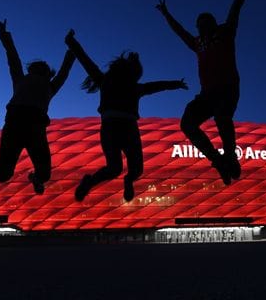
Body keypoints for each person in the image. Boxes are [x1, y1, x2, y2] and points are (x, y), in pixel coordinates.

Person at [156, 0, 262, 184]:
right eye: (199, 24)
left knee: (223, 118)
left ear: (213, 23)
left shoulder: (225, 32)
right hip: (207, 93)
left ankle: (230, 157)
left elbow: (237, 7)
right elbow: (180, 32)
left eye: (205, 22)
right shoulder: (198, 43)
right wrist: (166, 14)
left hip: (227, 88)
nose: (201, 26)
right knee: (187, 123)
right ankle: (218, 161)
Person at [65, 30, 187, 202]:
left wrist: (71, 42)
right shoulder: (132, 87)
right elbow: (157, 86)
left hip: (110, 127)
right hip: (128, 128)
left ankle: (93, 181)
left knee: (114, 168)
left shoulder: (106, 81)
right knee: (135, 169)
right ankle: (126, 180)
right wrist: (176, 84)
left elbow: (86, 61)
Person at [0, 20, 76, 194]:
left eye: (43, 68)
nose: (40, 69)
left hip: (35, 129)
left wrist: (72, 49)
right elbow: (13, 59)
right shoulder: (20, 79)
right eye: (37, 67)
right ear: (32, 70)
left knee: (45, 173)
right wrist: (4, 35)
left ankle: (36, 179)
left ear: (47, 73)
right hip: (15, 125)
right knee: (2, 175)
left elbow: (64, 72)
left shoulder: (50, 86)